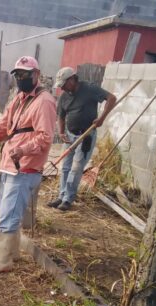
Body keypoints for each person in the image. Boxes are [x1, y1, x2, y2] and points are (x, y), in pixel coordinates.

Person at [0, 56, 56, 275]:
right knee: (6, 211)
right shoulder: (19, 99)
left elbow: (45, 137)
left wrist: (23, 149)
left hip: (25, 168)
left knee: (8, 213)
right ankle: (13, 252)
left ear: (36, 75)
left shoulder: (44, 101)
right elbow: (2, 128)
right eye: (18, 75)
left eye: (25, 74)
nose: (21, 78)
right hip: (9, 165)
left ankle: (3, 260)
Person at [47, 67, 117, 211]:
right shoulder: (65, 96)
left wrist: (102, 118)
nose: (63, 88)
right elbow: (61, 115)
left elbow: (112, 98)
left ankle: (68, 199)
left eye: (64, 84)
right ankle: (61, 196)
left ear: (72, 79)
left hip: (86, 135)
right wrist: (61, 132)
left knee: (76, 167)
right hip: (70, 135)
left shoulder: (89, 89)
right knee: (66, 167)